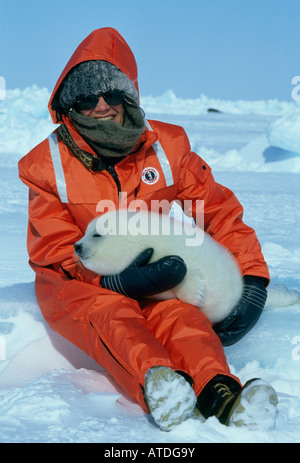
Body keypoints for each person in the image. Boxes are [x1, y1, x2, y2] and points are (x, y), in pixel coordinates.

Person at [18, 27, 278, 431]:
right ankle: (159, 385)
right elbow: (53, 248)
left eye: (112, 93)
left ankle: (222, 395)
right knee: (112, 314)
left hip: (160, 279)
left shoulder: (167, 149)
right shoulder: (47, 165)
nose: (101, 105)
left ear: (129, 96)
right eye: (87, 96)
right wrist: (116, 281)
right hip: (81, 286)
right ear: (70, 105)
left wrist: (252, 281)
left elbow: (217, 212)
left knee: (181, 316)